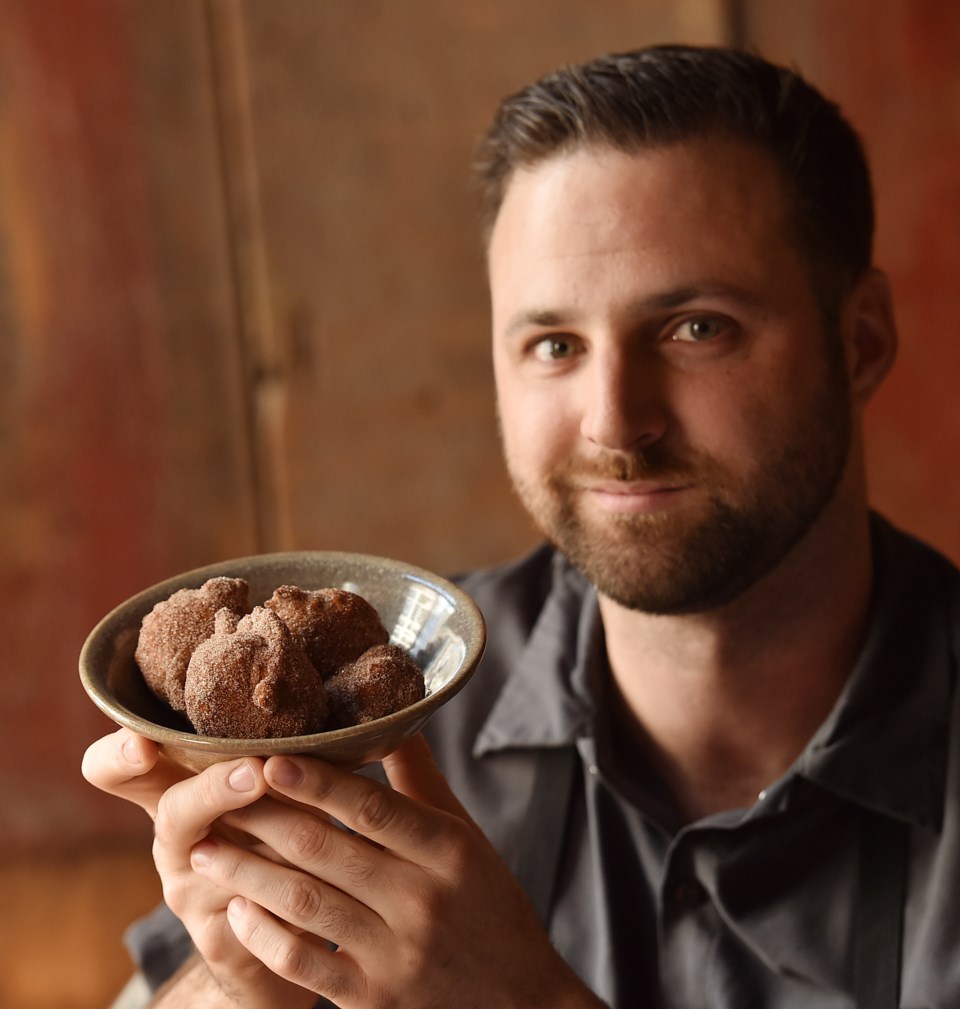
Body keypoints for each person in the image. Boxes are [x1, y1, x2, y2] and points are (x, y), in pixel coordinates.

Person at [83, 45, 960, 1009]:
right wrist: (251, 983)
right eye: (554, 344)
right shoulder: (377, 705)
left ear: (862, 339)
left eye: (696, 327)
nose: (616, 420)